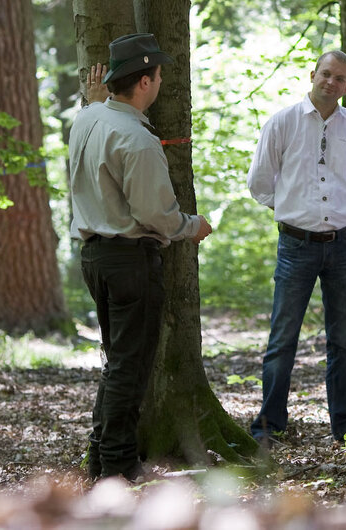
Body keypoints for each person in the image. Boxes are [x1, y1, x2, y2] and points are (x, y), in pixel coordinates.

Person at [69, 33, 212, 483]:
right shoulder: (137, 138)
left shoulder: (87, 119)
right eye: (159, 74)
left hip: (95, 258)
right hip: (129, 260)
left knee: (118, 362)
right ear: (146, 81)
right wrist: (194, 226)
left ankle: (101, 457)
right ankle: (117, 464)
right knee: (129, 367)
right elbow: (156, 215)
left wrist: (95, 100)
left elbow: (94, 110)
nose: (163, 80)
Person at [247, 50, 346, 445]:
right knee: (283, 338)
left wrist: (337, 213)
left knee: (342, 339)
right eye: (326, 74)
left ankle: (344, 423)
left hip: (342, 246)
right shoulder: (283, 122)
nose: (330, 83)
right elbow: (260, 182)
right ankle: (269, 425)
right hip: (295, 244)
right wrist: (291, 211)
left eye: (339, 79)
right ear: (312, 74)